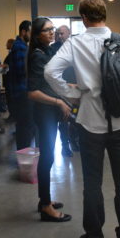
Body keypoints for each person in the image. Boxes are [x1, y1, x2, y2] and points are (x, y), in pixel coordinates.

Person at [45, 0, 120, 238]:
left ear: (83, 18)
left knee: (92, 183)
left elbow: (50, 72)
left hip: (90, 122)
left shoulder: (75, 42)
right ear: (105, 14)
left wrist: (73, 93)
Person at [27, 17, 73, 222]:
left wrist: (69, 90)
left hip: (48, 112)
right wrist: (58, 102)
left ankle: (44, 200)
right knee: (47, 158)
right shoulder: (37, 56)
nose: (51, 32)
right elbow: (33, 93)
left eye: (52, 29)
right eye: (47, 30)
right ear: (37, 36)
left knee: (48, 157)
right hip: (43, 112)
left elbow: (53, 81)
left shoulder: (47, 51)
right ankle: (46, 206)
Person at [8, 20, 35, 150]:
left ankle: (24, 154)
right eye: (30, 32)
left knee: (24, 125)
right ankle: (24, 156)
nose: (31, 35)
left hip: (20, 91)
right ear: (23, 31)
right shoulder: (20, 46)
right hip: (22, 92)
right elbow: (21, 70)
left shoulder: (21, 45)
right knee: (24, 126)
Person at [51, 25, 77, 157]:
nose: (59, 36)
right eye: (58, 34)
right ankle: (65, 146)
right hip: (60, 88)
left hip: (75, 87)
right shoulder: (53, 49)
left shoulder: (75, 47)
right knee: (64, 119)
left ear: (69, 33)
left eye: (62, 33)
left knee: (75, 117)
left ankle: (74, 141)